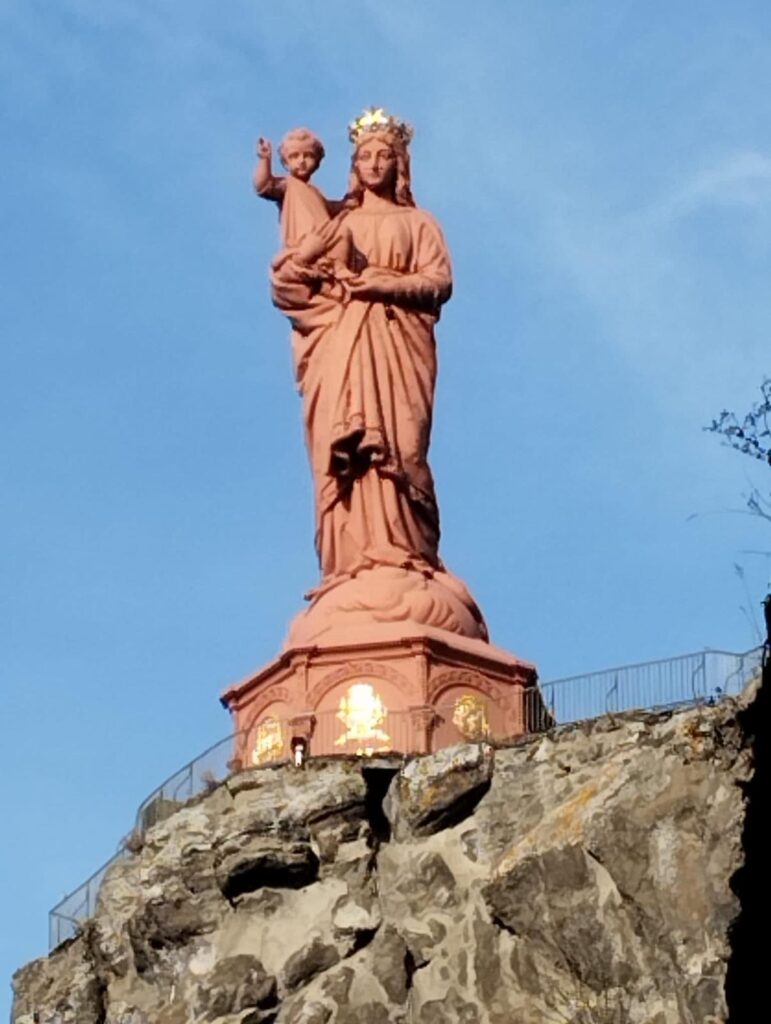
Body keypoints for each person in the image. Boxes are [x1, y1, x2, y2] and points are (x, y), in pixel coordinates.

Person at [269, 109, 486, 639]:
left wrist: (379, 284)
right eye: (364, 156)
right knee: (347, 460)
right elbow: (290, 287)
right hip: (341, 349)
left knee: (402, 449)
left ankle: (410, 553)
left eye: (384, 155)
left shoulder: (418, 223)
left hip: (397, 345)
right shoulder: (335, 221)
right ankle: (351, 562)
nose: (373, 164)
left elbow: (438, 282)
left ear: (400, 164)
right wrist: (300, 270)